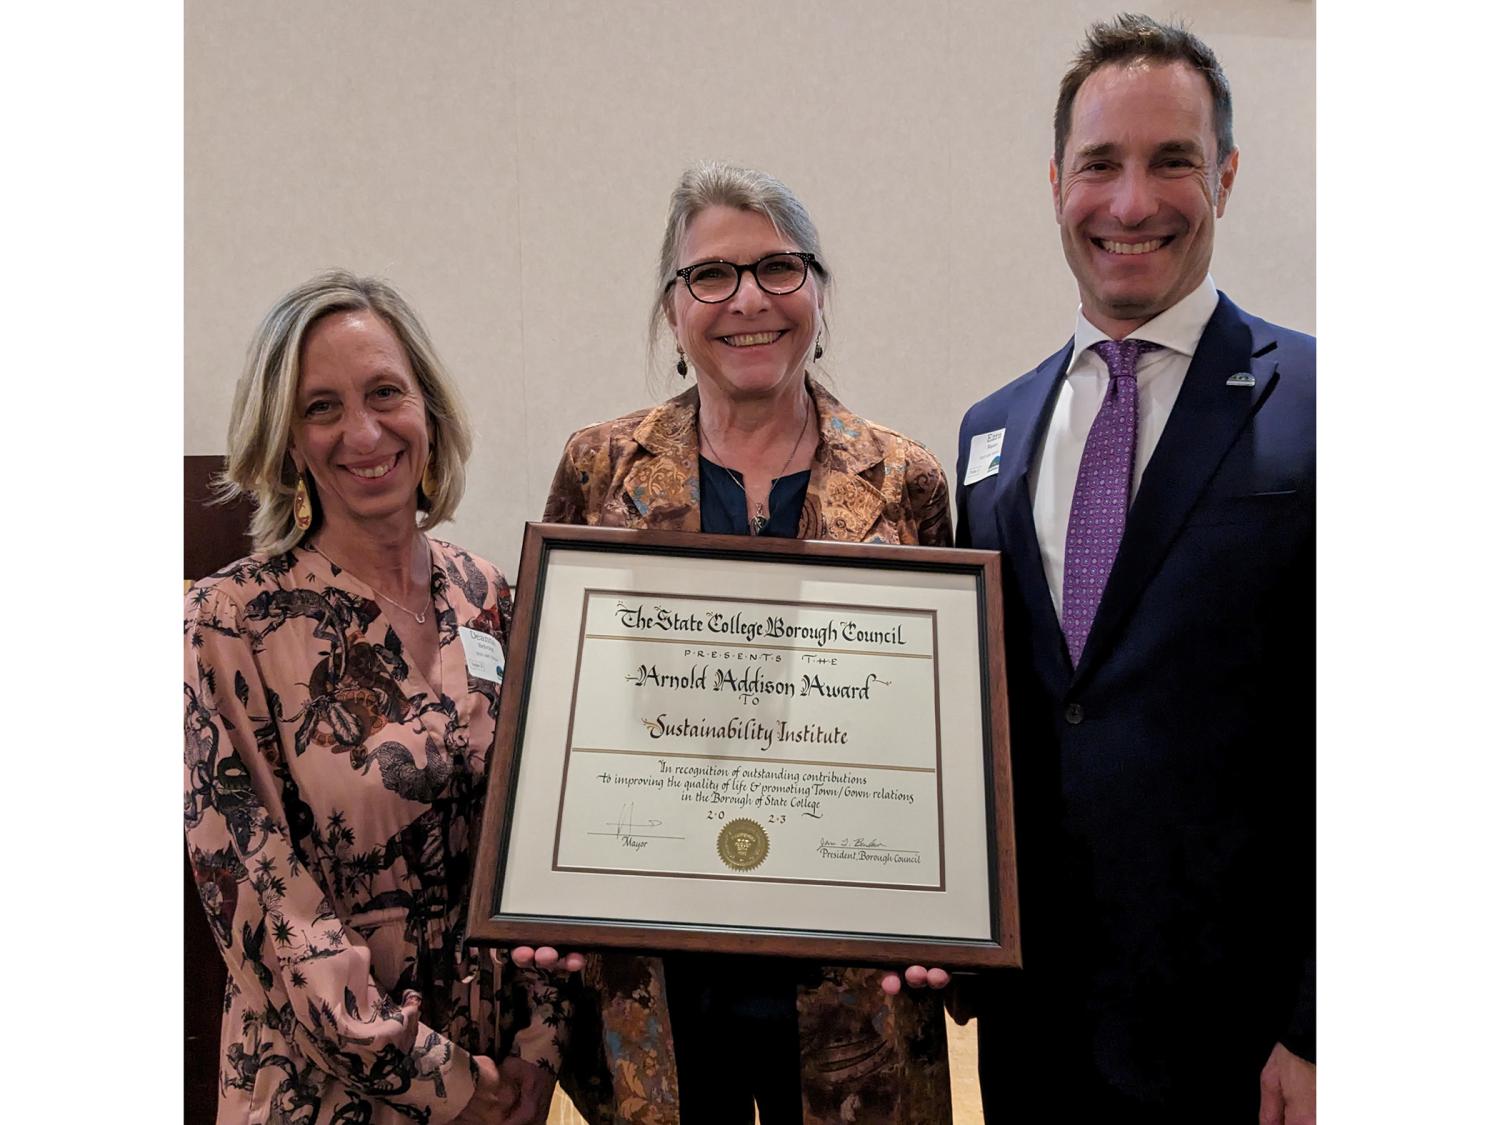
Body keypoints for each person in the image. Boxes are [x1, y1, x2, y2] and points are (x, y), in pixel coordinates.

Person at [952, 15, 1315, 1123]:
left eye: (1173, 162)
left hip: (1239, 1041)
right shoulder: (989, 434)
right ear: (1056, 178)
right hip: (1035, 1033)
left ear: (1229, 176)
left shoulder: (1326, 407)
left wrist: (1318, 1023)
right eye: (1100, 163)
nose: (1130, 202)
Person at [543, 162, 954, 1124]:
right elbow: (560, 708)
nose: (748, 301)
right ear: (673, 310)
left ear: (817, 291)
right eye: (712, 276)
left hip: (855, 979)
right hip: (662, 974)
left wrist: (952, 900)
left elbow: (945, 737)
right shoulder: (599, 471)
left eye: (779, 267)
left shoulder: (909, 481)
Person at [184, 271, 571, 1124]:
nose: (362, 431)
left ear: (428, 409)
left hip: (507, 1091)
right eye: (321, 407)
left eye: (385, 392)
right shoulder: (225, 625)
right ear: (285, 440)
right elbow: (265, 907)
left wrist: (539, 1050)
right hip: (328, 1094)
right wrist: (448, 1085)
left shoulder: (493, 597)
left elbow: (542, 839)